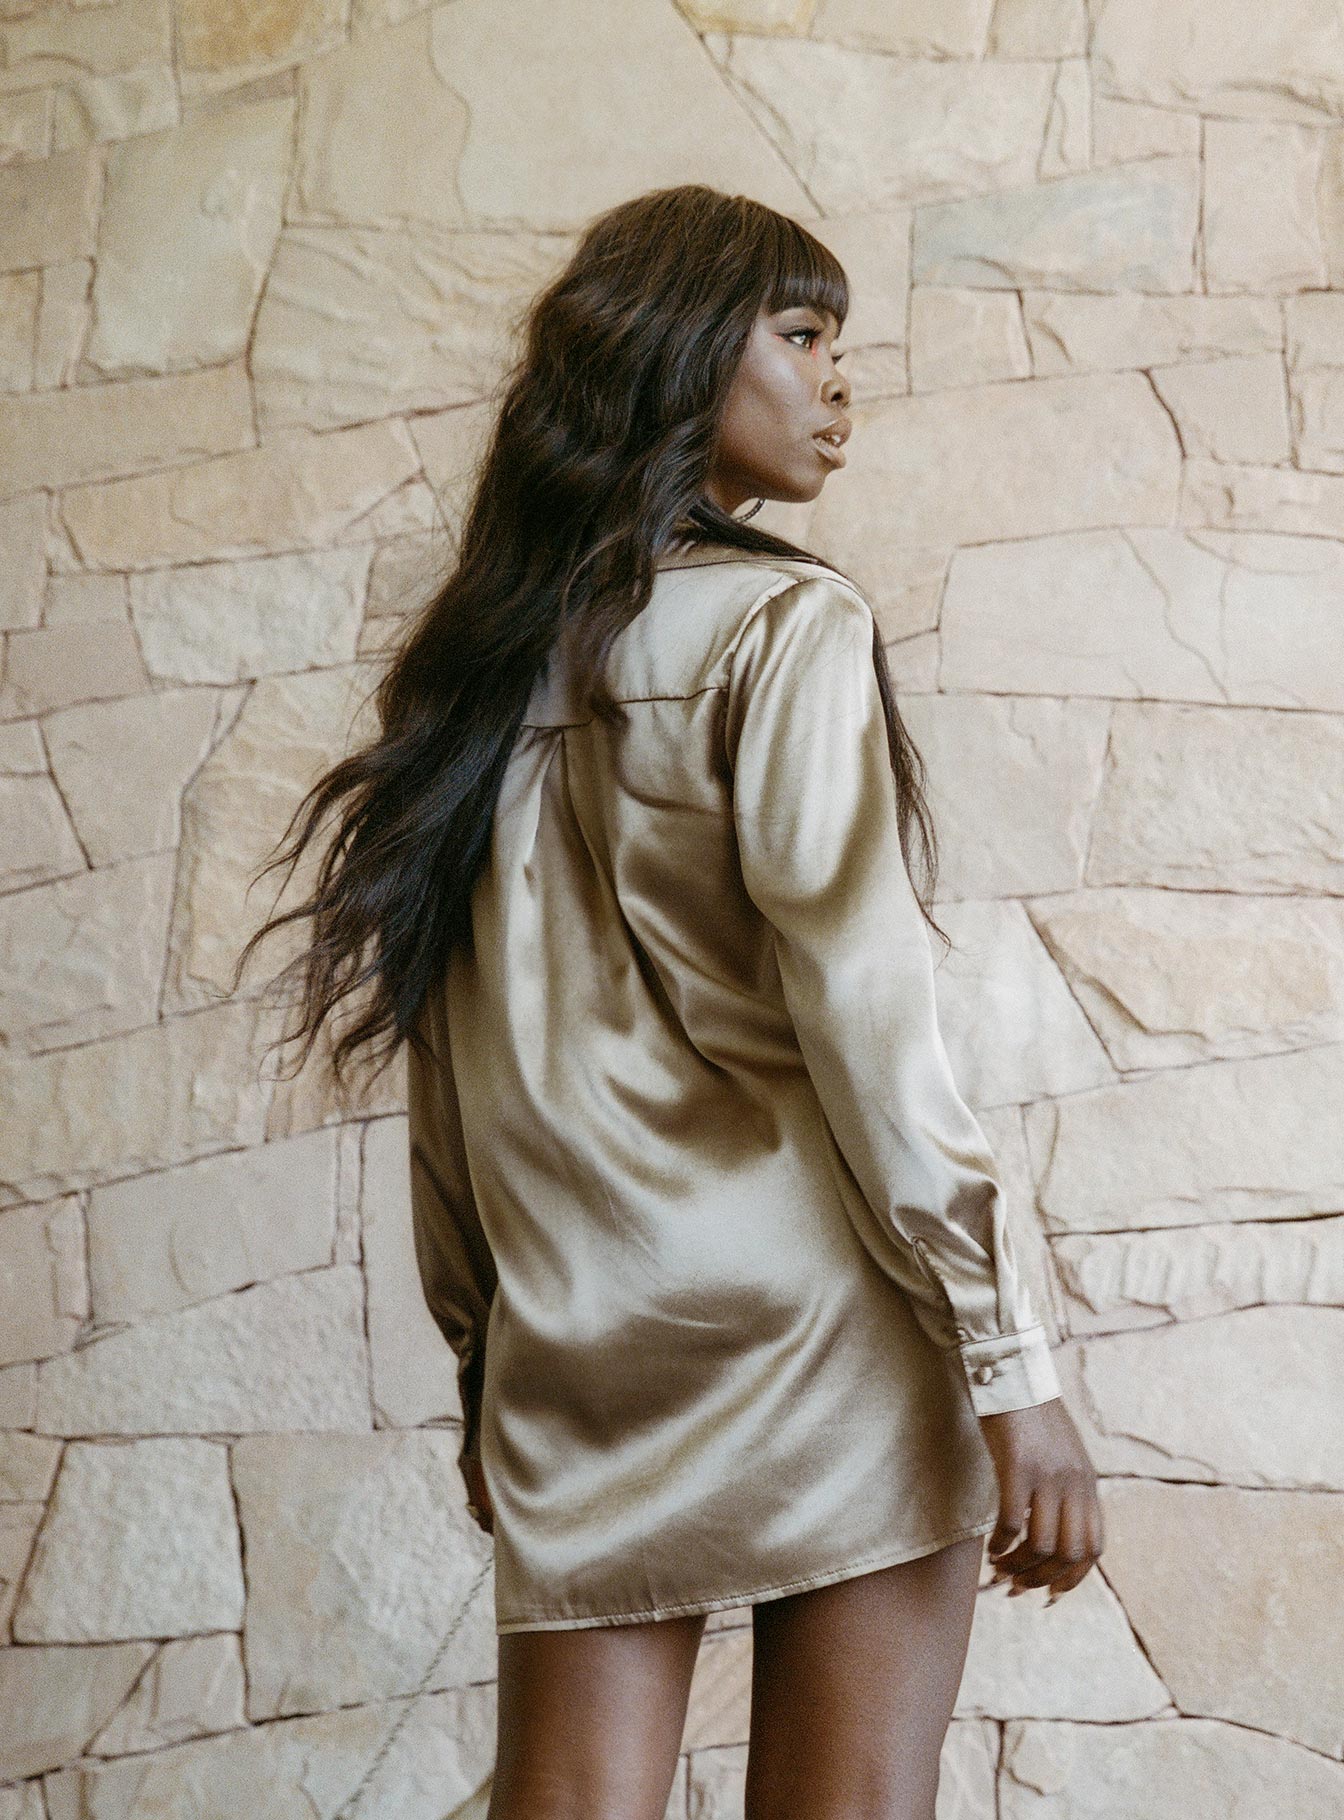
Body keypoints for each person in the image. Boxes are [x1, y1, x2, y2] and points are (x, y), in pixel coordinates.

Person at [242, 183, 1103, 1820]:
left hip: (583, 1347)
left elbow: (450, 1074)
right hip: (831, 1333)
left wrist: (490, 1368)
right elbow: (865, 1016)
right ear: (684, 350)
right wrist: (1014, 1368)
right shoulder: (788, 626)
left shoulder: (480, 672)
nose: (839, 382)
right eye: (801, 334)